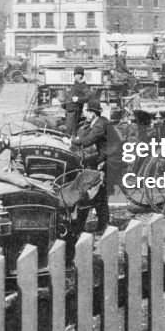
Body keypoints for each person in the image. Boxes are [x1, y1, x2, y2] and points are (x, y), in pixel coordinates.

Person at [71, 99, 113, 234]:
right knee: (99, 193)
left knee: (96, 191)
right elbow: (85, 134)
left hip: (110, 160)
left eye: (86, 112)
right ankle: (101, 224)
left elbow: (89, 140)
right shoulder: (96, 122)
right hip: (103, 158)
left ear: (92, 113)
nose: (85, 114)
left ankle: (94, 225)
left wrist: (72, 141)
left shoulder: (101, 124)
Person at [64, 67, 94, 137]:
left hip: (74, 113)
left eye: (75, 74)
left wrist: (78, 99)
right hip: (69, 112)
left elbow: (89, 97)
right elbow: (70, 98)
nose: (74, 76)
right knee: (68, 131)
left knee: (70, 132)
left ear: (80, 75)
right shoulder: (76, 85)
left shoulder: (83, 86)